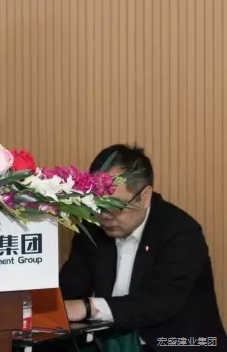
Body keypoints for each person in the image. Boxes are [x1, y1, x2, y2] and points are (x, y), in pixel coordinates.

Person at [59, 144, 226, 351]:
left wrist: (89, 307)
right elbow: (69, 289)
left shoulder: (181, 232)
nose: (104, 216)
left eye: (115, 206)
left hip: (180, 342)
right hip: (111, 341)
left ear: (145, 196)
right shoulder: (92, 229)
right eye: (97, 205)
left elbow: (160, 302)